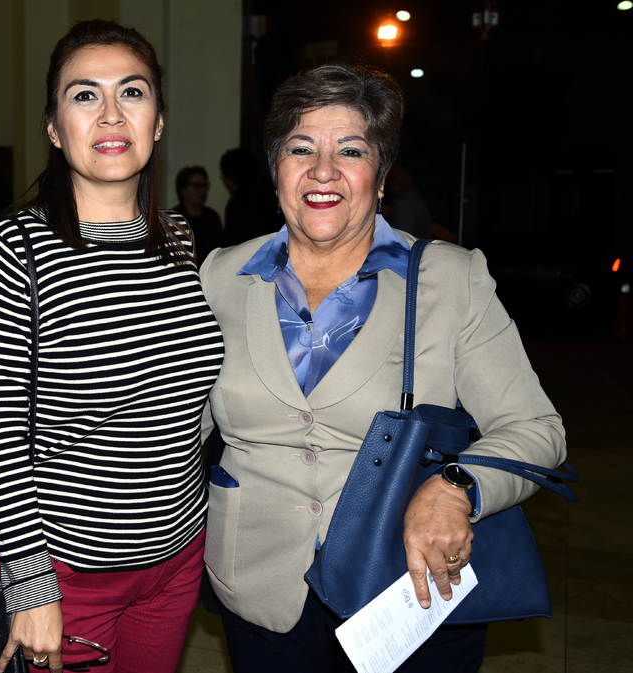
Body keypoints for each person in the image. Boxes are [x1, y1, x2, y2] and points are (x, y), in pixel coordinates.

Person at [199, 63, 566, 672]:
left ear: (382, 173)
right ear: (276, 168)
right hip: (259, 587)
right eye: (300, 148)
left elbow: (535, 430)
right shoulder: (219, 277)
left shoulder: (451, 279)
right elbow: (172, 426)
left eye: (351, 150)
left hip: (407, 592)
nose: (323, 170)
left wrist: (456, 487)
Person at [0, 20, 224, 673]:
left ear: (158, 121)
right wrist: (30, 583)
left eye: (132, 92)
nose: (111, 114)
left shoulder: (180, 240)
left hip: (176, 558)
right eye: (85, 95)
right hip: (69, 572)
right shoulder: (13, 248)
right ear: (54, 127)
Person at [172, 166, 223, 265]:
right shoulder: (174, 218)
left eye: (204, 185)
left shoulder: (212, 216)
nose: (202, 190)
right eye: (196, 186)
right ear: (183, 189)